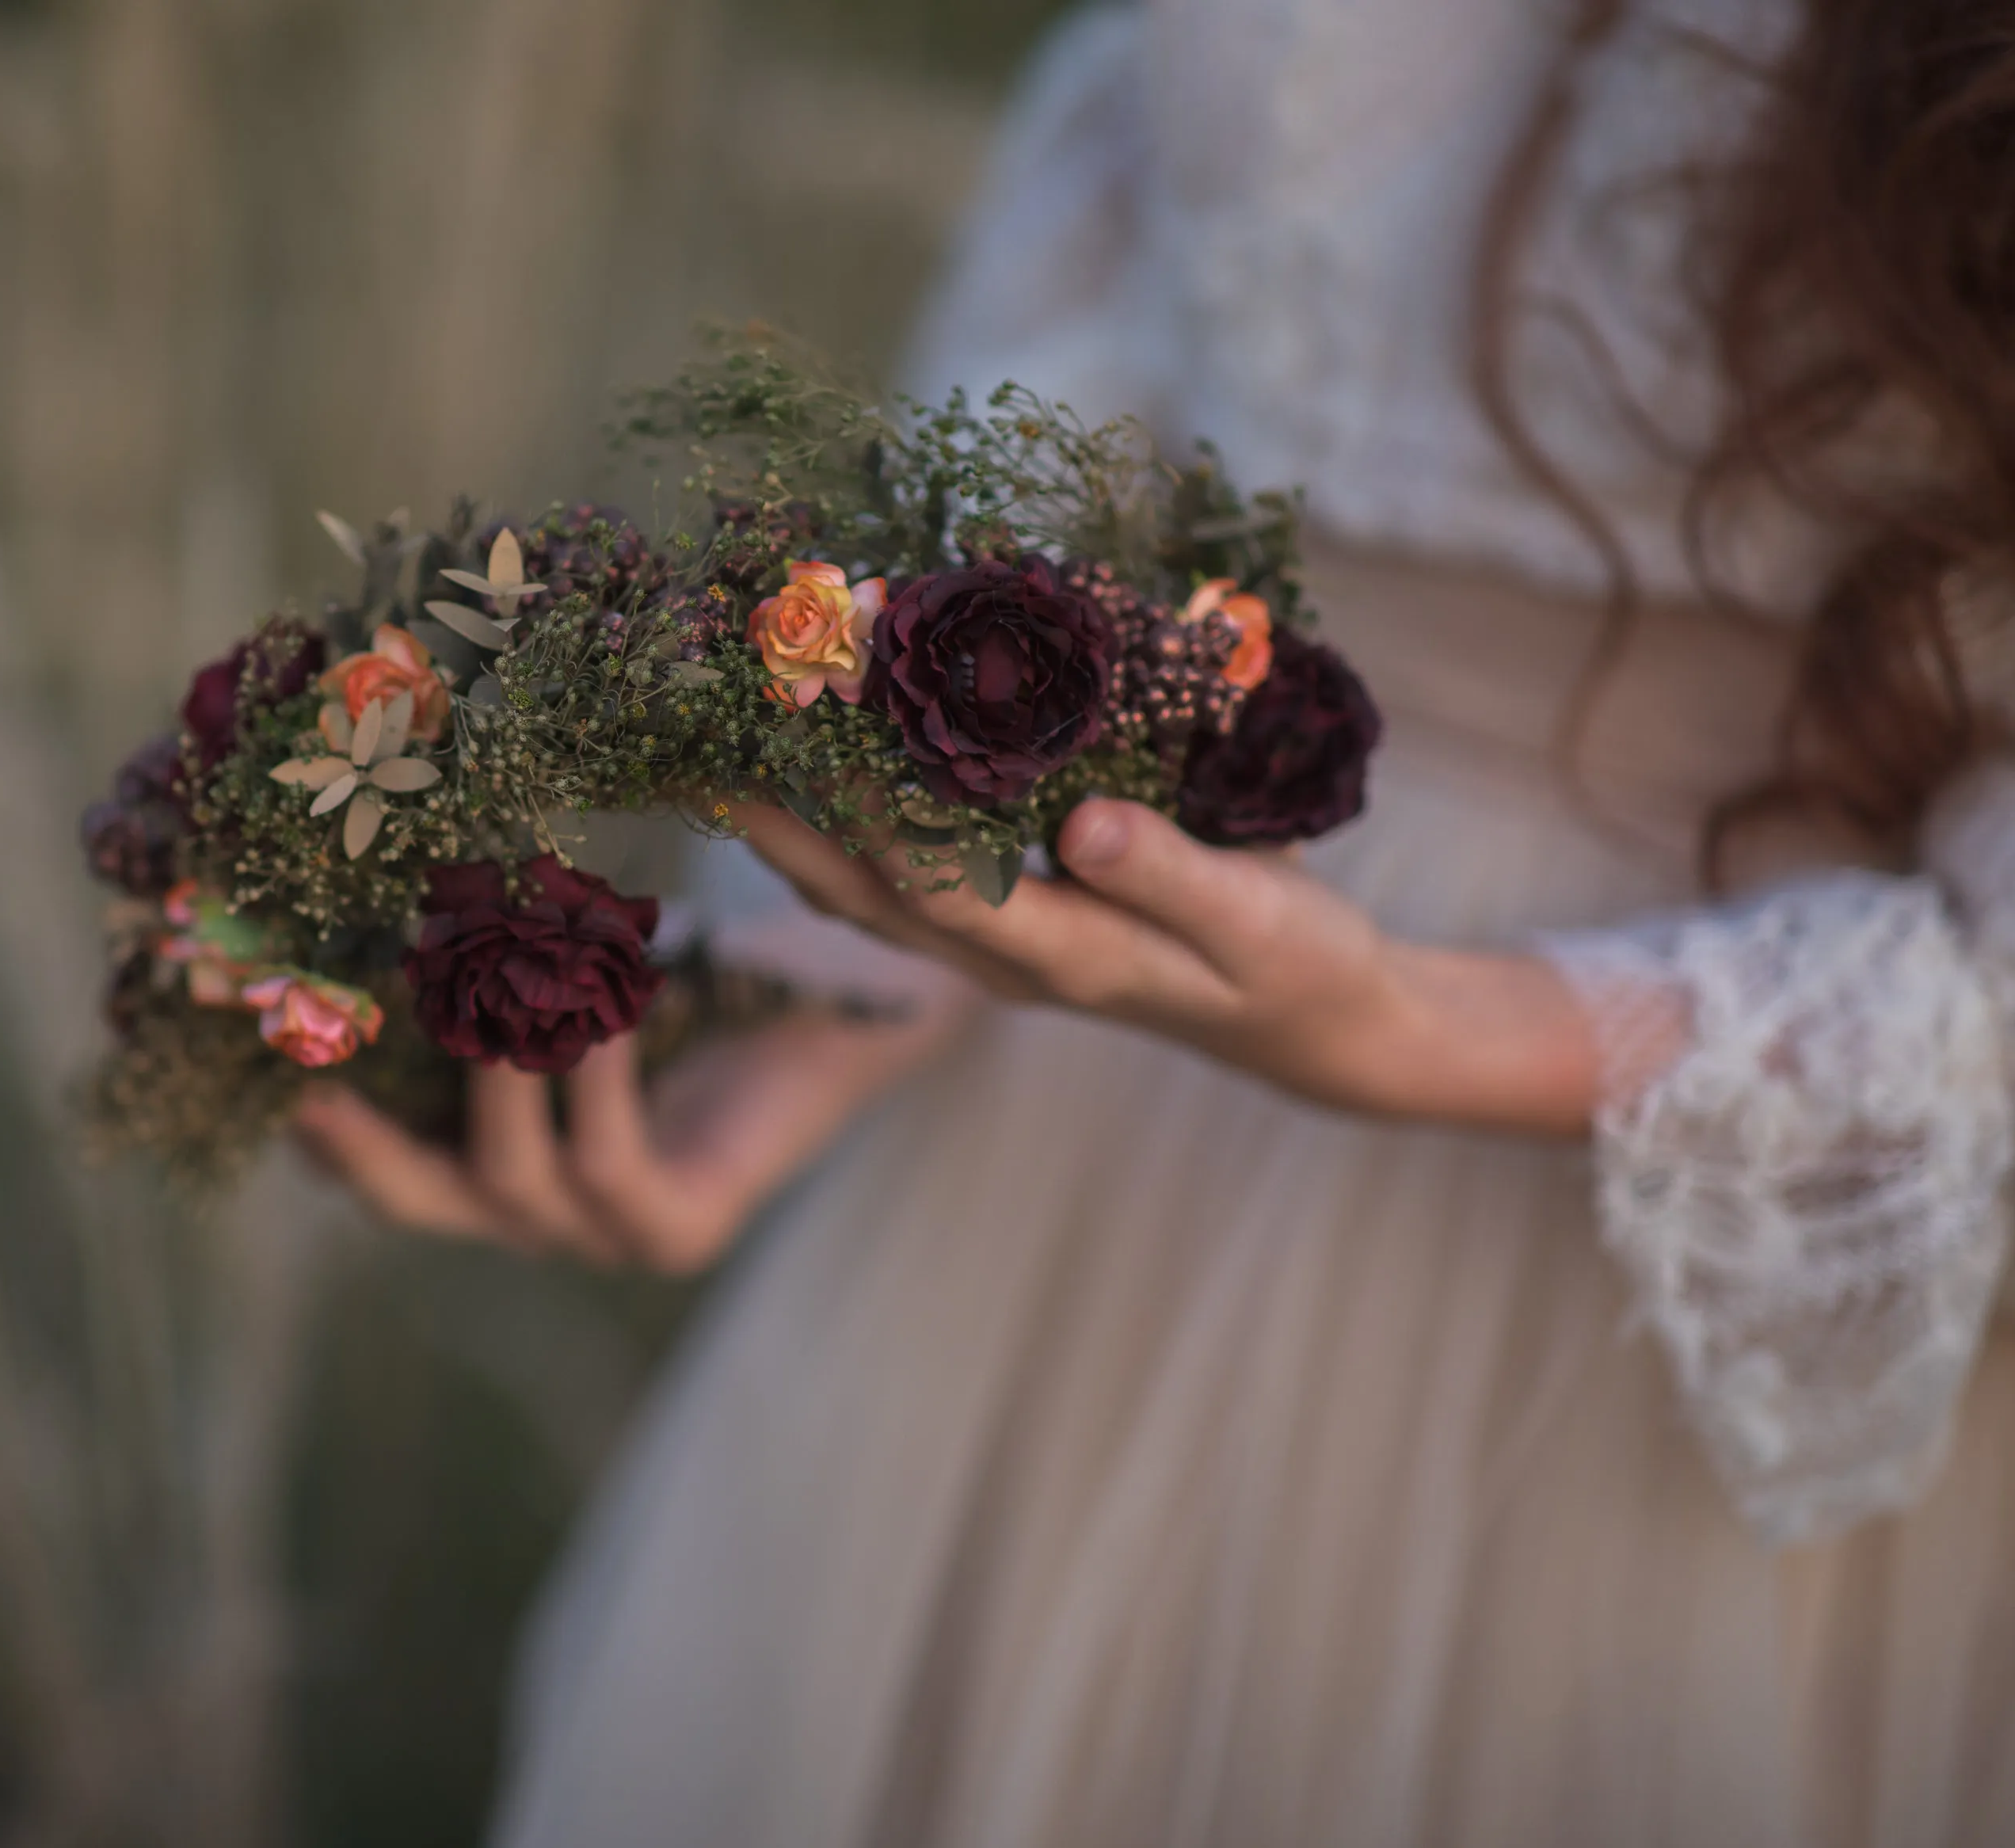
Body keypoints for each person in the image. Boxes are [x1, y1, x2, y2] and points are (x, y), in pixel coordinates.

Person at [293, 0, 2015, 1839]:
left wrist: (1417, 1024)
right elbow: (1103, 394)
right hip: (1080, 1125)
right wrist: (879, 928)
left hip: (1684, 1264)